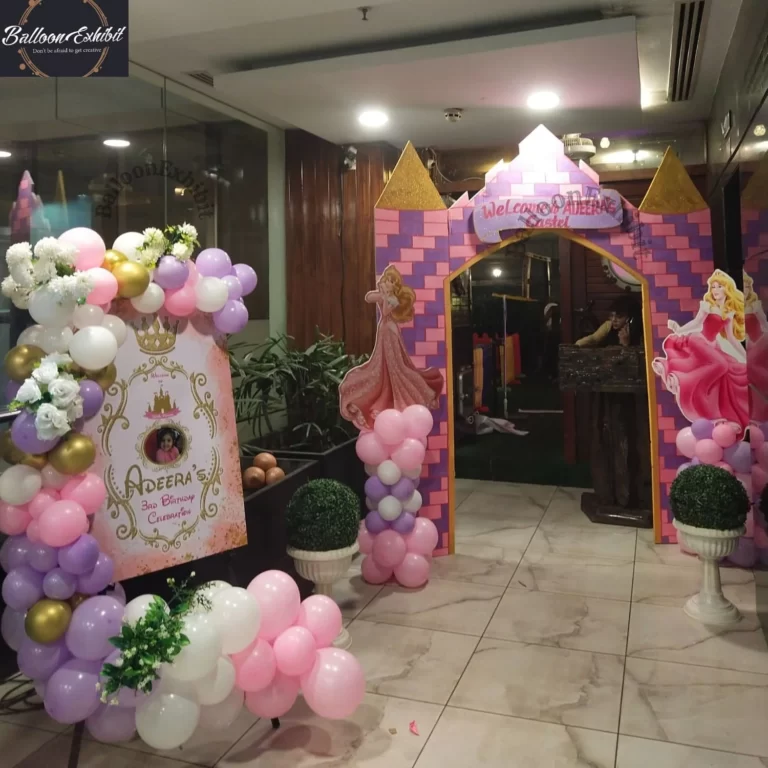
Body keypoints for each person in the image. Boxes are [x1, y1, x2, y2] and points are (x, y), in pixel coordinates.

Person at [339, 265, 444, 430]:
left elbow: (387, 311)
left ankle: (406, 396)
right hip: (384, 330)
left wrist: (386, 295)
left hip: (390, 331)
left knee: (397, 367)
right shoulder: (384, 295)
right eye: (387, 279)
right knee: (383, 365)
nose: (387, 282)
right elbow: (368, 297)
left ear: (394, 284)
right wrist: (381, 292)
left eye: (390, 281)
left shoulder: (393, 299)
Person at [652, 269, 748, 428]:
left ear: (727, 289)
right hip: (698, 340)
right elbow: (696, 323)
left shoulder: (729, 312)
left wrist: (745, 356)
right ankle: (682, 380)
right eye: (713, 287)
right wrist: (679, 330)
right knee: (721, 365)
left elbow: (731, 338)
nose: (715, 290)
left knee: (731, 371)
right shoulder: (707, 306)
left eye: (719, 287)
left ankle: (716, 411)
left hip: (713, 346)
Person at [575, 294, 642, 348]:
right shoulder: (608, 325)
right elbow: (594, 338)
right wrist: (578, 345)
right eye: (611, 315)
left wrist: (626, 344)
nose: (613, 320)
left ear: (630, 318)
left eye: (619, 317)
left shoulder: (640, 331)